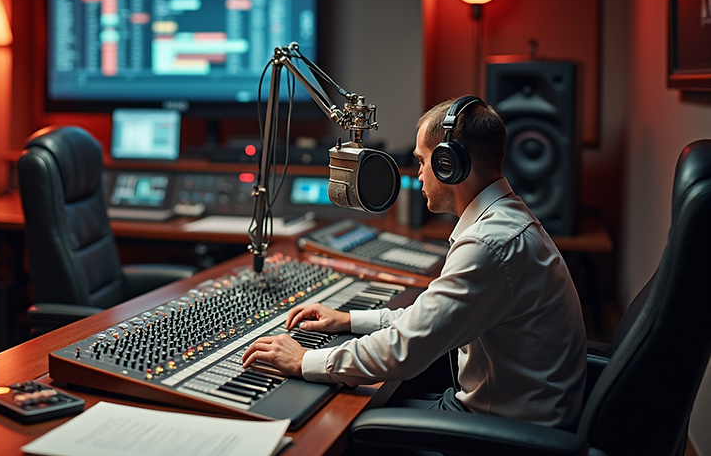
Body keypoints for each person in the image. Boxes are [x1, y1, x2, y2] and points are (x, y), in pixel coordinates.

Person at [242, 96, 587, 429]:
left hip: (502, 436)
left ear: (448, 164)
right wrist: (351, 319)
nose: (419, 174)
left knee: (340, 430)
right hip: (516, 417)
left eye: (423, 161)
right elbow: (433, 318)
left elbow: (405, 350)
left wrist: (304, 360)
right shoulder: (505, 221)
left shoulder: (488, 244)